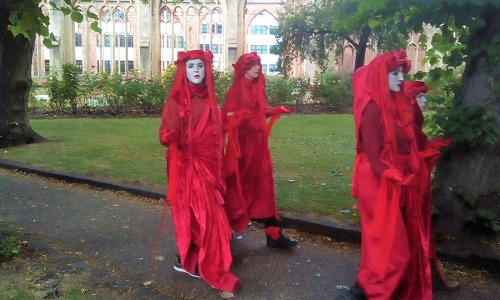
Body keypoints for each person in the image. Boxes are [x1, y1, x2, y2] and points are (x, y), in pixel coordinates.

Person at [337, 50, 422, 300]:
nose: (400, 78)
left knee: (382, 241)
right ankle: (372, 290)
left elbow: (410, 136)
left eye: (401, 73)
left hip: (388, 178)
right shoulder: (373, 109)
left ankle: (364, 287)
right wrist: (394, 174)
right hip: (375, 180)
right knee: (394, 248)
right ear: (379, 77)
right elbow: (374, 157)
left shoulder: (394, 105)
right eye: (394, 73)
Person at [158, 50, 239, 293]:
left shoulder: (212, 101)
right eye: (191, 66)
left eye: (200, 66)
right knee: (195, 214)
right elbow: (165, 133)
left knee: (210, 214)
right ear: (184, 69)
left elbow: (217, 132)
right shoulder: (175, 102)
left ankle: (197, 255)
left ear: (206, 70)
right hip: (188, 169)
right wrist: (169, 136)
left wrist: (239, 121)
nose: (196, 70)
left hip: (211, 168)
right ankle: (190, 258)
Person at [222, 52, 297, 248]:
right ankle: (222, 231)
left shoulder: (260, 88)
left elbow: (261, 113)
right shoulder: (234, 92)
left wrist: (275, 110)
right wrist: (240, 117)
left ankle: (273, 234)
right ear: (244, 68)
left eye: (258, 64)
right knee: (237, 189)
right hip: (242, 149)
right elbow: (228, 122)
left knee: (266, 188)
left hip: (260, 147)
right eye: (253, 64)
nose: (258, 67)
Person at [404, 81, 458, 292]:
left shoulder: (413, 126)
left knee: (420, 229)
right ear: (410, 100)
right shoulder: (410, 129)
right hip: (414, 188)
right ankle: (418, 275)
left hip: (419, 186)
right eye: (419, 97)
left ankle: (425, 272)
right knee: (416, 229)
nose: (424, 101)